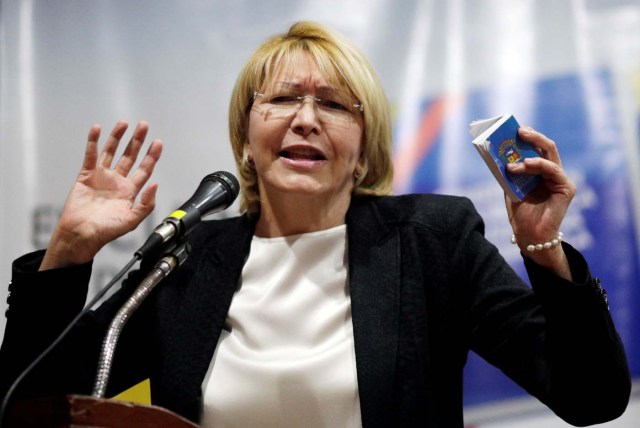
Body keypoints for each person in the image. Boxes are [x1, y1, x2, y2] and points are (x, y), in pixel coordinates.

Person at [0, 21, 631, 428]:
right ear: (246, 139)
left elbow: (590, 399)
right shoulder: (189, 257)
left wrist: (543, 248)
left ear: (364, 149)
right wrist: (69, 252)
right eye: (281, 100)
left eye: (332, 104)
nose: (306, 119)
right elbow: (30, 403)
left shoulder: (429, 239)